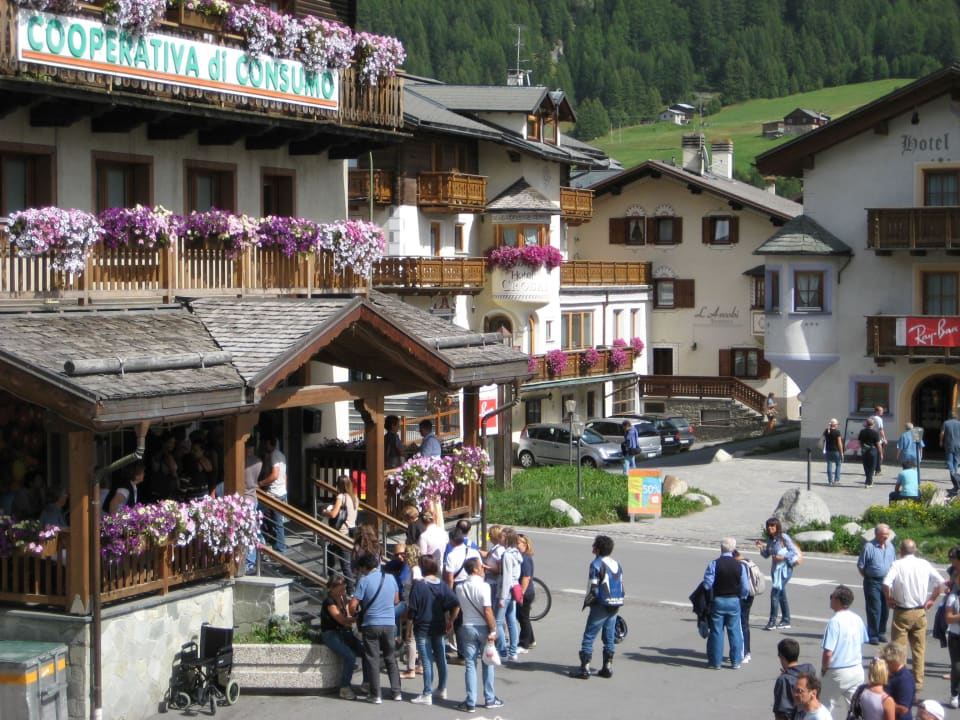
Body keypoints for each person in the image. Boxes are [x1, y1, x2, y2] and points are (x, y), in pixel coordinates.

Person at [883, 538, 947, 691]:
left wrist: (888, 599)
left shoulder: (897, 564)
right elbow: (940, 582)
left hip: (902, 612)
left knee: (899, 650)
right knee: (919, 650)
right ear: (915, 550)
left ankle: (901, 682)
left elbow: (886, 583)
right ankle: (918, 683)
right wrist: (932, 599)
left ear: (902, 551)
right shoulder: (924, 564)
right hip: (920, 611)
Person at [348, 552, 401, 704]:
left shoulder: (364, 581)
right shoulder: (390, 578)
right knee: (391, 657)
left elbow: (353, 604)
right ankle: (396, 692)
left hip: (371, 624)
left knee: (373, 659)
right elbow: (396, 600)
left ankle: (375, 694)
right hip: (389, 623)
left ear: (365, 567)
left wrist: (354, 614)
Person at [405, 555, 459, 705]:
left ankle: (427, 693)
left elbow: (412, 610)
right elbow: (456, 603)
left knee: (427, 660)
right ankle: (442, 688)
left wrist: (408, 630)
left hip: (422, 626)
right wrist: (451, 620)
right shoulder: (442, 585)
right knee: (440, 657)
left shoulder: (418, 585)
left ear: (422, 568)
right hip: (439, 625)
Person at [571, 534, 624, 680]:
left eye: (594, 545)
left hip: (601, 603)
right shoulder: (616, 563)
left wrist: (588, 602)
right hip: (615, 603)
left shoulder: (596, 564)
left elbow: (593, 588)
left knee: (589, 635)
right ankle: (607, 667)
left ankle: (585, 669)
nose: (592, 547)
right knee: (609, 636)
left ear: (599, 549)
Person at [454, 556, 502, 713]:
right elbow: (487, 610)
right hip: (483, 627)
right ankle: (489, 698)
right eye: (481, 566)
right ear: (475, 569)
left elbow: (459, 607)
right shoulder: (484, 587)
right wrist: (493, 629)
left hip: (467, 626)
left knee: (470, 664)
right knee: (487, 662)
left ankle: (470, 701)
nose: (484, 568)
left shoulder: (460, 587)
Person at [820, 584, 869, 716]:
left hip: (837, 672)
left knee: (824, 707)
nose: (830, 599)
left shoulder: (834, 622)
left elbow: (828, 652)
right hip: (856, 670)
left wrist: (824, 668)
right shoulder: (857, 619)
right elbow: (861, 641)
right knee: (856, 709)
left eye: (832, 596)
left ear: (838, 601)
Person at [702, 537, 748, 669]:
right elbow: (745, 587)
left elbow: (707, 585)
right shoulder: (740, 566)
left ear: (721, 548)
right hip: (734, 600)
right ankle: (736, 661)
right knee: (735, 631)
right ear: (733, 549)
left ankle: (715, 662)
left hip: (718, 600)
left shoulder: (714, 564)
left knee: (716, 631)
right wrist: (741, 597)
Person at [319, 574, 363, 700]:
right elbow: (341, 619)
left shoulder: (343, 598)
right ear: (332, 588)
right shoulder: (329, 601)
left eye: (343, 587)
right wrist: (356, 619)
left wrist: (353, 617)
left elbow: (348, 614)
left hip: (344, 631)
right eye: (340, 588)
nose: (343, 590)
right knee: (350, 656)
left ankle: (366, 683)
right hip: (330, 633)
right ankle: (344, 687)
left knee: (365, 652)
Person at [757, 516, 800, 630]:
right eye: (768, 526)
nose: (770, 528)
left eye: (772, 526)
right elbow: (767, 555)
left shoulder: (783, 538)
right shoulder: (770, 540)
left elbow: (793, 551)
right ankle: (786, 620)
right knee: (781, 595)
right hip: (775, 571)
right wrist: (761, 548)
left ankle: (772, 621)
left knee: (774, 594)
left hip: (785, 570)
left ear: (777, 527)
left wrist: (782, 557)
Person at [858, 523, 897, 645]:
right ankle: (873, 634)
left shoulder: (890, 546)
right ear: (876, 534)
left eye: (887, 535)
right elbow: (861, 566)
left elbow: (894, 563)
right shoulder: (869, 547)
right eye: (883, 535)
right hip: (872, 581)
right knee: (875, 608)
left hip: (887, 583)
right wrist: (869, 577)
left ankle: (881, 633)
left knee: (886, 608)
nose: (886, 537)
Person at [495, 527, 522, 662]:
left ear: (506, 539)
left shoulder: (506, 555)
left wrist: (502, 597)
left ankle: (502, 651)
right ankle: (513, 650)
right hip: (514, 589)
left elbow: (506, 578)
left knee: (498, 622)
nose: (499, 539)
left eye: (501, 537)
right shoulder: (516, 553)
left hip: (506, 591)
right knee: (511, 620)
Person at [773, 638, 817, 720]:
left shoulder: (784, 680)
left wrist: (785, 675)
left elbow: (782, 713)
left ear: (781, 656)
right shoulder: (809, 670)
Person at [258, 436, 288, 553]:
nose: (264, 446)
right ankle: (274, 543)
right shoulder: (281, 455)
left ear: (270, 443)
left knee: (257, 514)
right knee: (276, 521)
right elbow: (284, 475)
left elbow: (275, 475)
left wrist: (260, 483)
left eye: (266, 443)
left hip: (273, 493)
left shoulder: (274, 455)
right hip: (281, 492)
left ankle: (278, 547)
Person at [943, 546, 960, 708]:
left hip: (955, 632)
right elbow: (948, 618)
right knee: (956, 665)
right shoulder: (953, 597)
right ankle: (955, 694)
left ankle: (956, 694)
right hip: (955, 634)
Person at [881, 641, 916, 720]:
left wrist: (883, 704)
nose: (885, 664)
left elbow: (903, 708)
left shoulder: (904, 680)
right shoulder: (892, 673)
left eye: (887, 662)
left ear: (894, 661)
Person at [242, 438, 262, 572]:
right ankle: (251, 560)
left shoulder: (243, 462)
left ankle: (249, 560)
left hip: (244, 499)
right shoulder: (258, 461)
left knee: (247, 533)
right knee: (253, 531)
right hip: (253, 497)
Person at [517, 533, 536, 651]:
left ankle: (524, 643)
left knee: (523, 618)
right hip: (526, 591)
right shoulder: (521, 557)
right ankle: (531, 639)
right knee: (523, 617)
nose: (516, 545)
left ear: (525, 545)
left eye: (518, 543)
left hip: (526, 592)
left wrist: (521, 593)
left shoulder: (525, 559)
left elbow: (526, 577)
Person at [860, 418, 882, 488]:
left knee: (866, 466)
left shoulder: (862, 431)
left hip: (864, 450)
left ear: (866, 424)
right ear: (873, 425)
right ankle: (869, 482)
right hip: (873, 450)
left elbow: (860, 441)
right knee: (872, 467)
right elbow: (878, 444)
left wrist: (862, 447)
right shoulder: (875, 433)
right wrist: (881, 453)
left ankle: (868, 481)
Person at [822, 418, 844, 485]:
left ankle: (830, 481)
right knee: (838, 465)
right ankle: (836, 480)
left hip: (828, 450)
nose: (837, 425)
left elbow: (823, 440)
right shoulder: (837, 432)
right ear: (835, 425)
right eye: (837, 424)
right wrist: (842, 452)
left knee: (829, 465)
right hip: (836, 451)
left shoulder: (826, 431)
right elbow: (839, 443)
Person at [942, 412, 960, 489]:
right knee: (956, 460)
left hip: (949, 444)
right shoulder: (959, 423)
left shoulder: (946, 423)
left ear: (949, 417)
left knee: (949, 461)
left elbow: (942, 433)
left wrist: (940, 441)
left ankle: (953, 474)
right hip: (958, 444)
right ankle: (955, 475)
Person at [872, 406, 888, 475]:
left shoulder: (871, 417)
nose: (882, 412)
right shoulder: (879, 419)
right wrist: (884, 438)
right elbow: (881, 429)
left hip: (872, 438)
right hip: (878, 439)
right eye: (881, 410)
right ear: (877, 411)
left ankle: (873, 469)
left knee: (873, 454)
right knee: (879, 454)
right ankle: (878, 470)